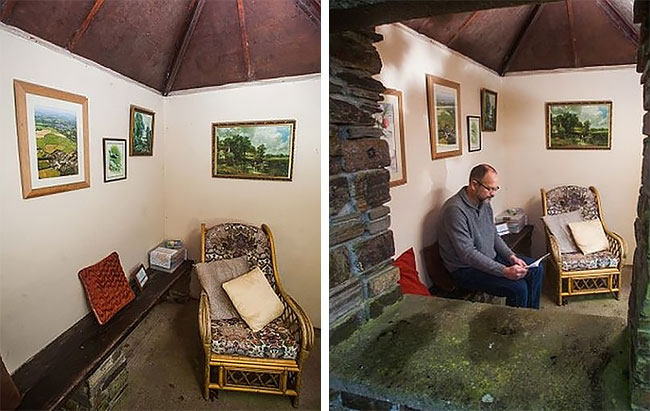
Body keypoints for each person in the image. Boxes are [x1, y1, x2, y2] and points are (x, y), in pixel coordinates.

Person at [437, 164, 543, 308]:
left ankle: (531, 316)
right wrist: (504, 271)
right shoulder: (454, 210)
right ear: (474, 185)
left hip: (489, 257)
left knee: (536, 269)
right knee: (519, 288)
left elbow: (493, 235)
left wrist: (511, 257)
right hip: (465, 269)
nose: (493, 193)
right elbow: (467, 254)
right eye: (489, 188)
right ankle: (516, 322)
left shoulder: (484, 202)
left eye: (495, 188)